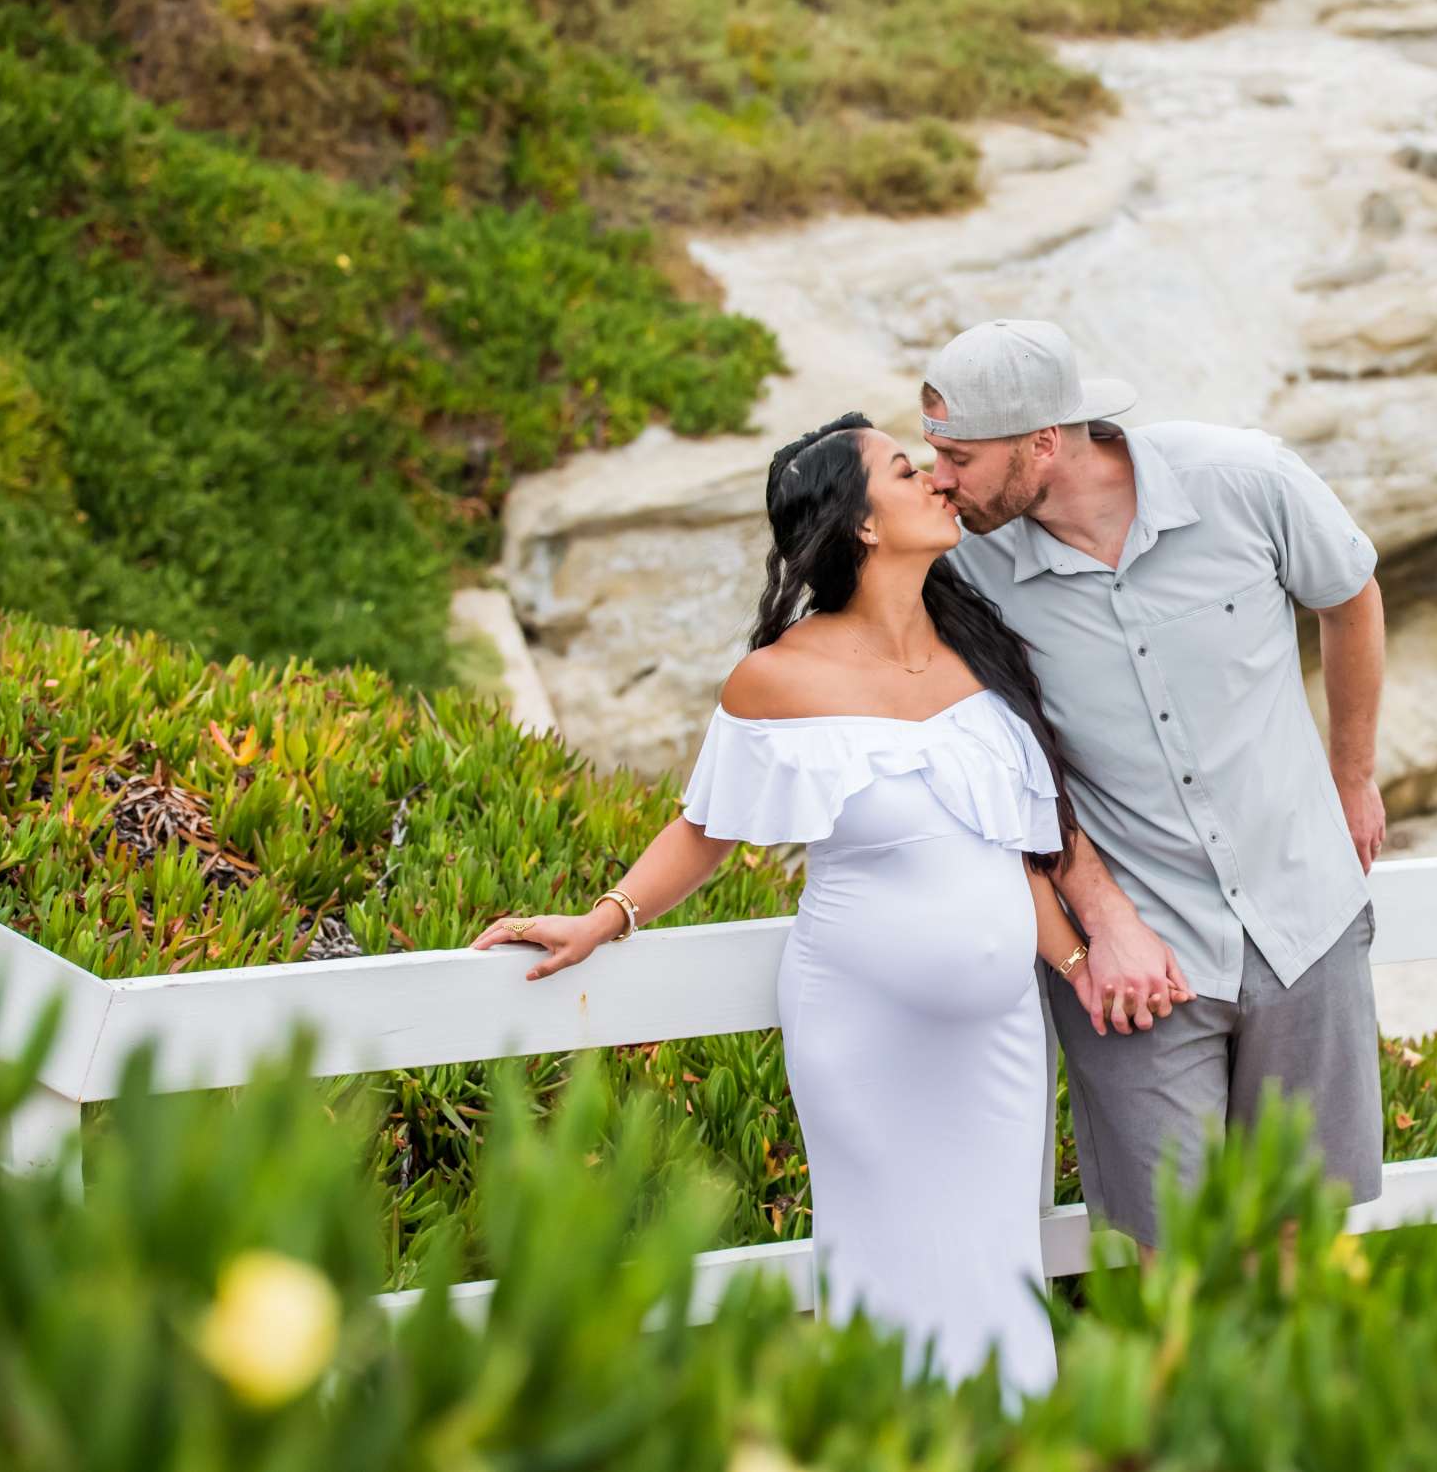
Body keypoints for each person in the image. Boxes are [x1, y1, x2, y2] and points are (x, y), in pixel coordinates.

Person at [470, 412, 1143, 1403]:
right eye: (910, 472)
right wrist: (603, 917)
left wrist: (1082, 967)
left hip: (999, 1037)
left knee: (1001, 1263)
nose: (939, 485)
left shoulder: (979, 651)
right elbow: (708, 827)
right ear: (862, 524)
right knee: (892, 1265)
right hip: (864, 1035)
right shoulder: (777, 677)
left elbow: (1010, 846)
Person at [922, 318, 1389, 1250]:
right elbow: (1012, 763)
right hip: (1139, 961)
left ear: (1044, 441)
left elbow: (1351, 598)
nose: (939, 479)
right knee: (1168, 1254)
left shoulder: (1246, 480)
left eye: (959, 456)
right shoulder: (960, 566)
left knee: (1302, 1232)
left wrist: (1354, 775)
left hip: (1308, 913)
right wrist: (1101, 913)